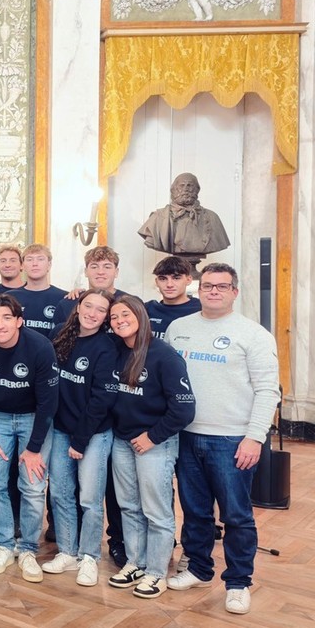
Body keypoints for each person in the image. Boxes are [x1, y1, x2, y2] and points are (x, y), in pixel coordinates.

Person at [165, 263, 279, 615]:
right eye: (208, 285)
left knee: (236, 515)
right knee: (195, 512)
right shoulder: (178, 328)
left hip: (232, 440)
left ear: (234, 292)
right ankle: (199, 569)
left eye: (222, 286)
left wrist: (254, 437)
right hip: (186, 436)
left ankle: (238, 583)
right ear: (198, 290)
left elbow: (267, 390)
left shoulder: (253, 334)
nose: (214, 291)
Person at [0, 294, 59, 582]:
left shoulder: (40, 347)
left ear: (19, 321)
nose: (0, 324)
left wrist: (34, 449)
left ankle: (28, 548)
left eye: (7, 317)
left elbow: (48, 402)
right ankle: (4, 545)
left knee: (32, 485)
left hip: (34, 417)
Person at [106, 295, 195, 598]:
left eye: (125, 314)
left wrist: (152, 437)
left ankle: (156, 572)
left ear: (141, 316)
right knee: (129, 506)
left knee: (156, 511)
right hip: (122, 440)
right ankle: (136, 562)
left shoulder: (165, 356)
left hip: (154, 443)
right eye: (114, 316)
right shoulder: (117, 350)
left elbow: (184, 409)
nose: (119, 320)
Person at [41, 291, 118, 586]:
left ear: (106, 317)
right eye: (88, 306)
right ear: (78, 307)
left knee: (89, 499)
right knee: (60, 494)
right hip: (60, 429)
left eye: (100, 310)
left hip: (92, 433)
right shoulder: (59, 334)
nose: (92, 313)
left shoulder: (106, 346)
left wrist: (80, 440)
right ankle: (68, 552)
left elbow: (101, 400)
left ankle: (89, 557)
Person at [139, 172, 230, 256]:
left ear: (197, 190)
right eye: (182, 185)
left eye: (190, 185)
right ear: (173, 190)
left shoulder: (212, 218)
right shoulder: (158, 218)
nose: (186, 189)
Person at [6, 244, 67, 338]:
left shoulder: (64, 297)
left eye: (40, 259)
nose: (35, 264)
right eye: (29, 259)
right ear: (23, 265)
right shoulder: (10, 297)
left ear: (49, 264)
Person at [145, 255, 200, 341]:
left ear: (188, 280)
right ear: (157, 282)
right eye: (163, 279)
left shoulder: (201, 309)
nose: (169, 284)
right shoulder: (147, 309)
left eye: (176, 278)